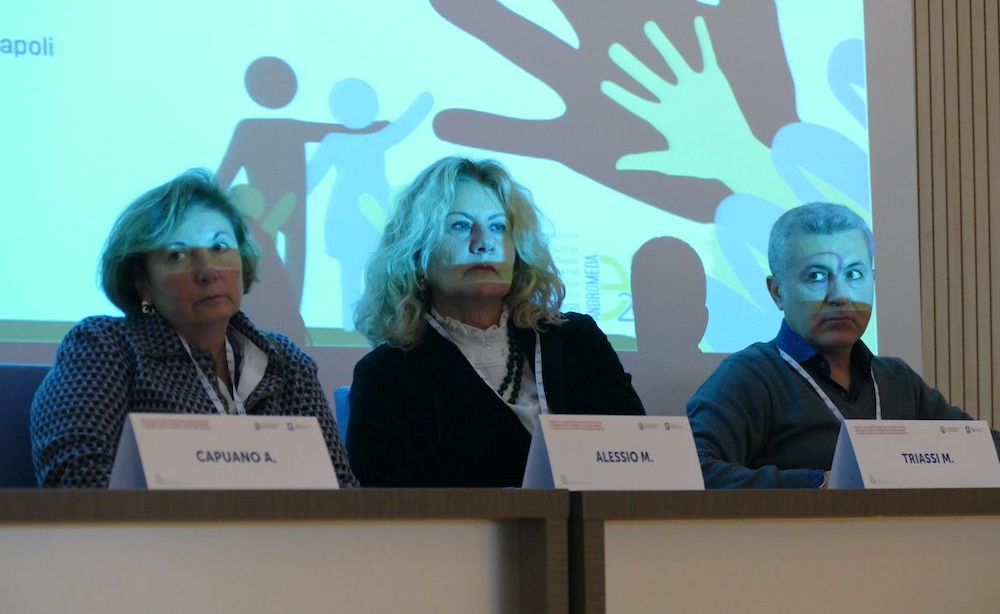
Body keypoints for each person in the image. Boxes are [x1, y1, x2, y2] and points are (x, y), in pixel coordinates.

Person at [30, 169, 356, 488]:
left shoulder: (284, 361)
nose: (208, 271)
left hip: (282, 526)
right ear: (142, 282)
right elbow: (74, 474)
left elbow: (339, 487)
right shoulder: (105, 347)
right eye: (178, 255)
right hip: (154, 526)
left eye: (220, 247)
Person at [347, 156, 645, 487]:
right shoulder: (387, 373)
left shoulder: (578, 340)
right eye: (460, 226)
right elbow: (386, 506)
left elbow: (643, 460)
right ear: (417, 252)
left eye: (499, 226)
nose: (483, 243)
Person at [686, 202, 1000, 488]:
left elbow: (980, 451)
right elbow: (692, 470)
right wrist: (820, 485)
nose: (840, 295)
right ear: (777, 292)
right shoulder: (751, 376)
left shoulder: (896, 380)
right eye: (817, 276)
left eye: (854, 274)